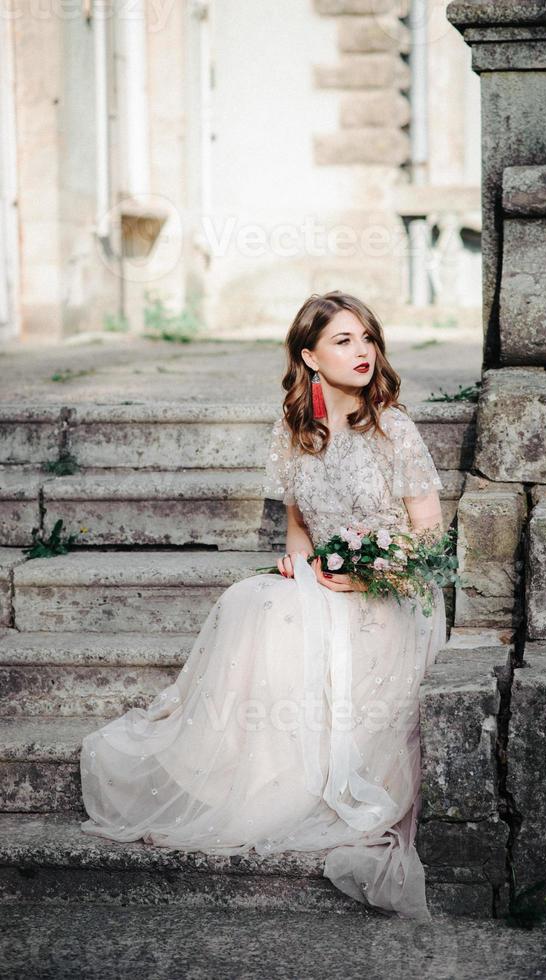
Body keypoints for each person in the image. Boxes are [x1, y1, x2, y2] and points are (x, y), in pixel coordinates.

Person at [79, 290, 448, 922]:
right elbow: (301, 528)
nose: (362, 352)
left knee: (277, 613)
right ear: (309, 356)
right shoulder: (295, 432)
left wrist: (371, 577)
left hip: (391, 593)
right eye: (343, 341)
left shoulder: (395, 430)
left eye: (367, 339)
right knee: (252, 599)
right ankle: (241, 778)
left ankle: (297, 785)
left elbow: (430, 533)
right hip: (328, 576)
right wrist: (298, 565)